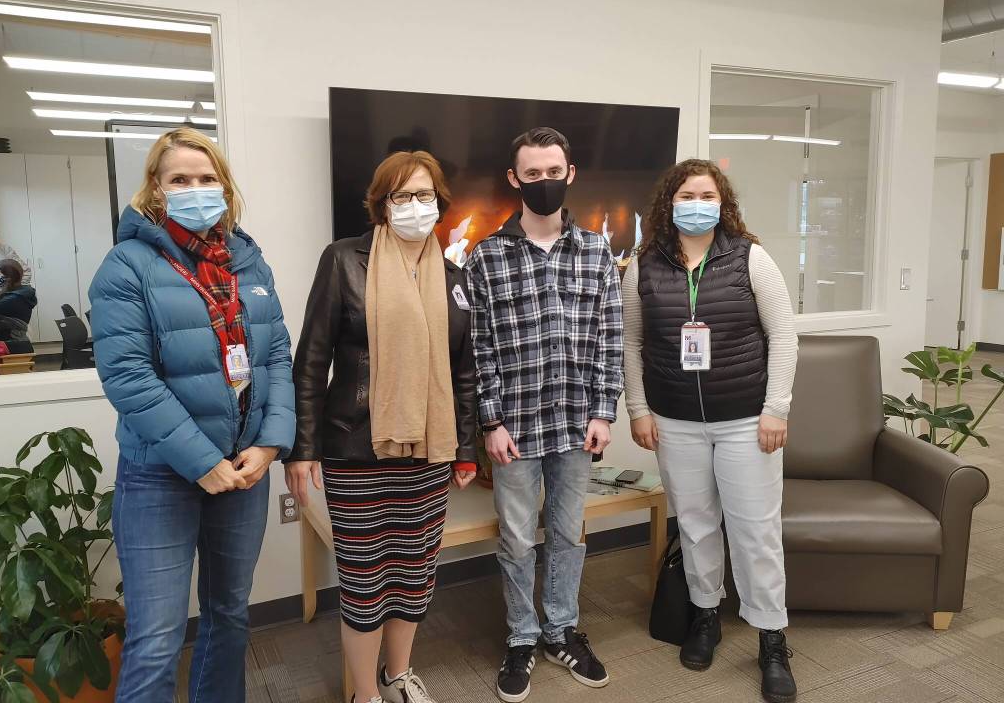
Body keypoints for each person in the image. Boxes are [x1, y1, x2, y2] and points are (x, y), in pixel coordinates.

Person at [88, 127, 295, 703]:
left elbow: (277, 355)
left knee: (230, 617)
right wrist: (202, 460)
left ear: (225, 189)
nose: (195, 190)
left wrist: (272, 443)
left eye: (207, 180)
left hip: (244, 470)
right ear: (156, 190)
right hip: (161, 476)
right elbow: (129, 377)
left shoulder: (248, 262)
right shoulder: (125, 267)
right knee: (156, 638)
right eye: (180, 180)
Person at [286, 150, 478, 703]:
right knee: (367, 581)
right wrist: (304, 447)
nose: (414, 206)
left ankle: (400, 677)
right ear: (381, 203)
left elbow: (464, 370)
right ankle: (364, 694)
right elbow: (312, 358)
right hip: (354, 445)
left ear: (439, 204)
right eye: (401, 196)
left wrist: (465, 448)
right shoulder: (345, 259)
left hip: (428, 452)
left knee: (415, 576)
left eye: (423, 196)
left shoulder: (455, 276)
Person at [622, 159, 798, 703]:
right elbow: (630, 342)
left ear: (723, 204)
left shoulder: (752, 258)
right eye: (687, 194)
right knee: (695, 526)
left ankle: (772, 639)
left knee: (756, 532)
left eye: (708, 194)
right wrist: (638, 409)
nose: (697, 202)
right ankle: (705, 616)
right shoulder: (643, 264)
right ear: (669, 203)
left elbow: (785, 334)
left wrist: (776, 409)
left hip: (747, 420)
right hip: (675, 421)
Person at [465, 127, 623, 703]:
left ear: (569, 173)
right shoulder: (485, 257)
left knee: (566, 534)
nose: (543, 182)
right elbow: (478, 349)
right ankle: (521, 637)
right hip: (514, 427)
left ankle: (559, 629)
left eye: (552, 172)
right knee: (515, 539)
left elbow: (609, 336)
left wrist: (604, 413)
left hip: (578, 426)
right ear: (514, 179)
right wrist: (490, 423)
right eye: (531, 174)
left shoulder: (597, 251)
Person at [0, 220, 32, 335]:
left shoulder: (4, 250)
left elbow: (25, 271)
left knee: (8, 341)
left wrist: (12, 295)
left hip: (4, 307)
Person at [0, 259, 37, 345]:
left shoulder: (14, 299)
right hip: (10, 343)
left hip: (11, 345)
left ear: (8, 278)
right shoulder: (15, 293)